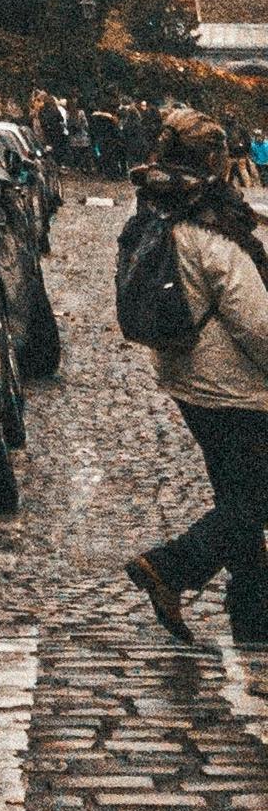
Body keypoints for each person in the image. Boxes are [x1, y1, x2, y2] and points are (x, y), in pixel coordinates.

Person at [124, 109, 268, 645]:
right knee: (252, 502)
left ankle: (254, 619)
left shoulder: (155, 210)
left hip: (188, 377)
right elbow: (257, 324)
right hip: (234, 388)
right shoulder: (214, 229)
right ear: (214, 160)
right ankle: (174, 566)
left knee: (241, 498)